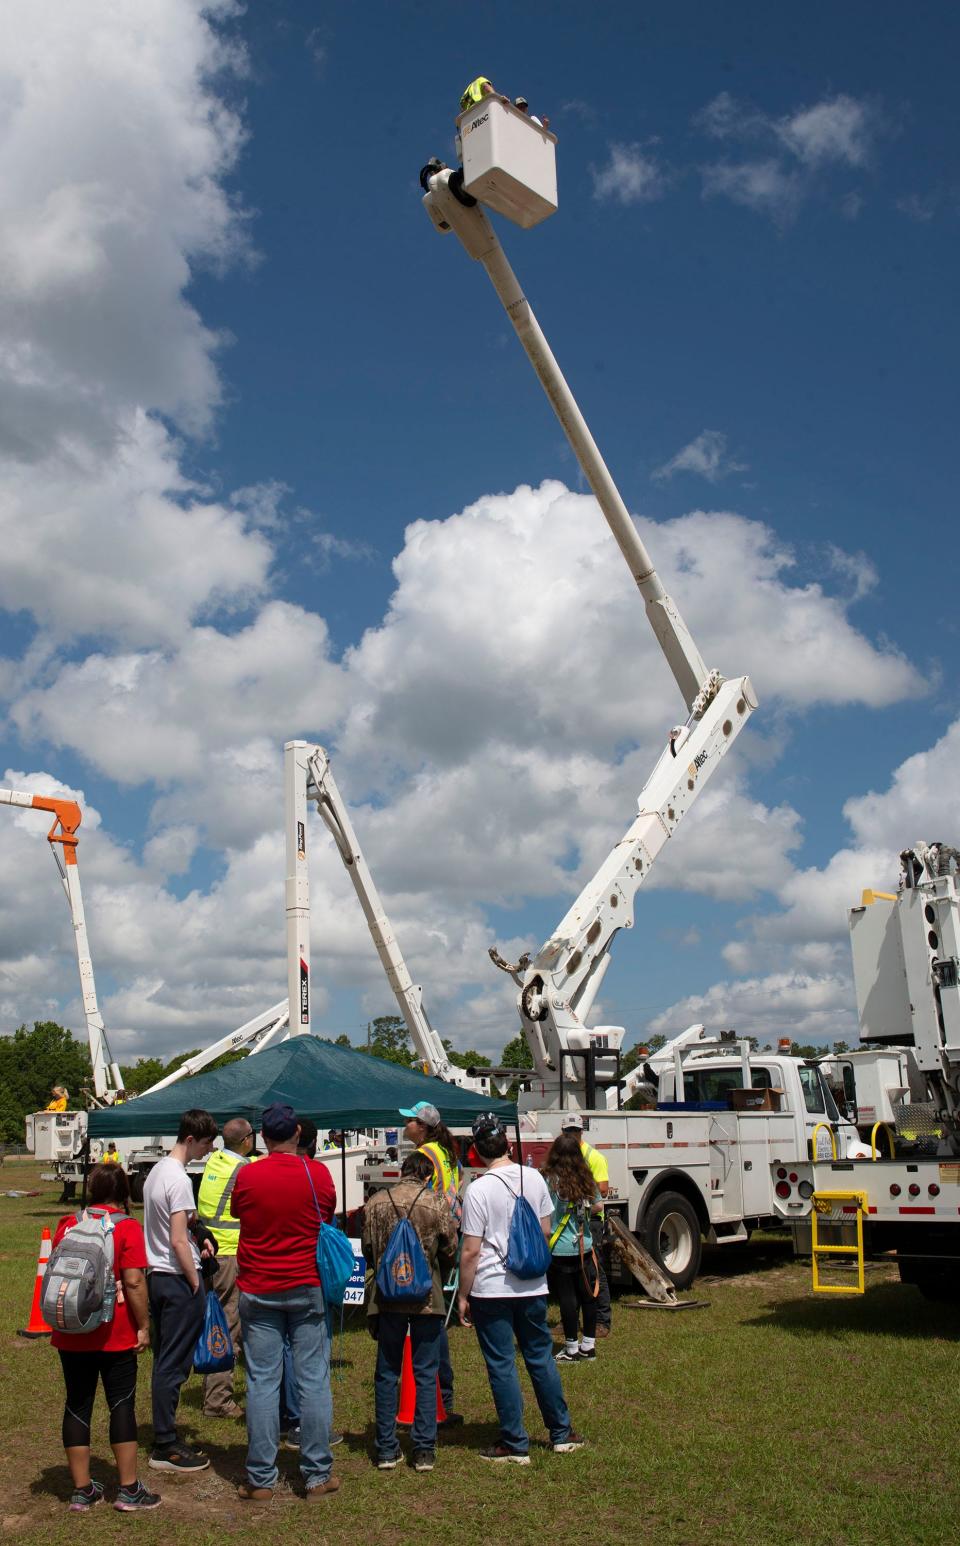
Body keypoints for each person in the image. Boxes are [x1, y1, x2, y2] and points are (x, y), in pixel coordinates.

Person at [457, 1113, 583, 1462]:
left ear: (478, 1152)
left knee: (501, 1364)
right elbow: (545, 1232)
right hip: (532, 1284)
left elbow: (470, 1251)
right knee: (540, 1357)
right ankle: (561, 1433)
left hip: (491, 1287)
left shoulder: (478, 1189)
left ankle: (514, 1442)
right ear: (508, 1144)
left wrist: (463, 1296)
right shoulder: (534, 1179)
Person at [231, 1102, 340, 1503]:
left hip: (259, 1287)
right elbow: (326, 1214)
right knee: (313, 1379)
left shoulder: (249, 1175)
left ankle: (260, 1477)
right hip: (307, 1285)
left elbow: (238, 1213)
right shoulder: (318, 1174)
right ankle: (316, 1475)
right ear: (297, 1134)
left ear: (263, 1137)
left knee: (262, 1381)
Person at [50, 1162, 160, 1512]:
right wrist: (144, 1326)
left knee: (77, 1403)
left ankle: (82, 1489)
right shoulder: (126, 1228)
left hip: (70, 1330)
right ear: (124, 1192)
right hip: (116, 1333)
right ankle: (128, 1488)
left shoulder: (69, 1224)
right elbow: (134, 1281)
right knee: (121, 1404)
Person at [363, 1152, 459, 1473]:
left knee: (387, 1372)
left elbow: (367, 1249)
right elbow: (449, 1249)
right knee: (425, 1372)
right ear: (428, 1176)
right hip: (426, 1297)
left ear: (401, 1172)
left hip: (387, 1296)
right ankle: (423, 1450)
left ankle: (387, 1449)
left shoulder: (376, 1203)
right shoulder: (434, 1202)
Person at [143, 1108, 218, 1473]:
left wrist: (199, 1233)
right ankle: (165, 1444)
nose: (208, 1150)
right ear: (191, 1139)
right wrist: (194, 1279)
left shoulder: (157, 1171)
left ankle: (164, 1432)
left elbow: (182, 1226)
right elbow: (176, 1240)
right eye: (206, 1143)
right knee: (174, 1363)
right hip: (176, 1277)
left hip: (155, 1276)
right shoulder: (180, 1180)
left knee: (164, 1357)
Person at [280, 1120, 344, 1452]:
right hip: (310, 1273)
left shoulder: (265, 1172)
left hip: (271, 1278)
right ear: (313, 1142)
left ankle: (290, 1416)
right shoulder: (316, 1174)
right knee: (314, 1356)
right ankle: (309, 1426)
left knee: (284, 1353)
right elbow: (328, 1215)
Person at [399, 1100, 464, 1426]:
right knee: (435, 1315)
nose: (405, 1125)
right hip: (447, 1235)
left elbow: (415, 1198)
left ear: (422, 1126)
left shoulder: (425, 1156)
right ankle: (443, 1393)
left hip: (425, 1238)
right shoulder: (448, 1152)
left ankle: (436, 1393)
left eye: (409, 1121)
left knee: (425, 1319)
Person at [197, 1115, 256, 1418]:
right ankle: (218, 1399)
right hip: (230, 1254)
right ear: (248, 1139)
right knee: (228, 1324)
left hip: (210, 1253)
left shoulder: (215, 1162)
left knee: (225, 1320)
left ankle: (254, 1381)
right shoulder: (243, 1170)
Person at [542, 1131, 602, 1362]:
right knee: (588, 1295)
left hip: (559, 1246)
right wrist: (582, 1207)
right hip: (584, 1245)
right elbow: (599, 1206)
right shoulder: (585, 1177)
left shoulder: (550, 1179)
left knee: (567, 1298)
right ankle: (589, 1345)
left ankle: (571, 1347)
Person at [559, 1113, 612, 1338]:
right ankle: (569, 1321)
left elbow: (603, 1189)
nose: (571, 1134)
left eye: (575, 1131)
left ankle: (602, 1320)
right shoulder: (562, 1157)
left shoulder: (594, 1157)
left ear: (581, 1132)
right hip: (570, 1221)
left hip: (591, 1221)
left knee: (594, 1271)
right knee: (572, 1276)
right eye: (568, 1131)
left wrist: (579, 1195)